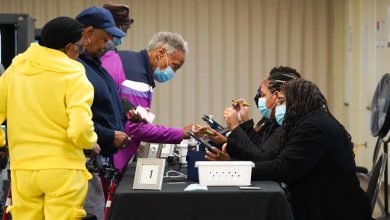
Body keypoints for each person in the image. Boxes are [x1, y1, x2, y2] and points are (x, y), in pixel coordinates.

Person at [209, 79, 372, 220]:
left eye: (280, 101)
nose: (277, 107)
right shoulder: (307, 123)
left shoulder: (313, 128)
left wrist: (234, 170)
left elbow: (281, 168)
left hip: (334, 212)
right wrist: (231, 154)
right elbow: (268, 158)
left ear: (297, 102)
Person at [0, 16, 99, 220]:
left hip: (23, 169)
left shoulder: (15, 69)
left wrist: (2, 142)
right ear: (68, 47)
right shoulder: (74, 74)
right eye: (79, 49)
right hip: (63, 170)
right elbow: (80, 128)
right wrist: (91, 142)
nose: (79, 55)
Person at [101, 31, 193, 171]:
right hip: (105, 155)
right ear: (161, 52)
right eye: (174, 66)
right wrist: (180, 133)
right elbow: (135, 128)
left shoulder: (125, 58)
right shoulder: (136, 77)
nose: (173, 73)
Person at [75, 7, 130, 219]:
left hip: (100, 159)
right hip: (84, 160)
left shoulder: (96, 65)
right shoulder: (76, 69)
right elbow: (76, 119)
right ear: (88, 33)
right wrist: (108, 135)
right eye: (104, 39)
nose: (107, 45)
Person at [203, 66, 301, 162]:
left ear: (277, 96)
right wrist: (226, 140)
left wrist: (236, 126)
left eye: (263, 95)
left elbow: (261, 158)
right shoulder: (274, 121)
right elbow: (258, 148)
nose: (260, 99)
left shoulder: (285, 125)